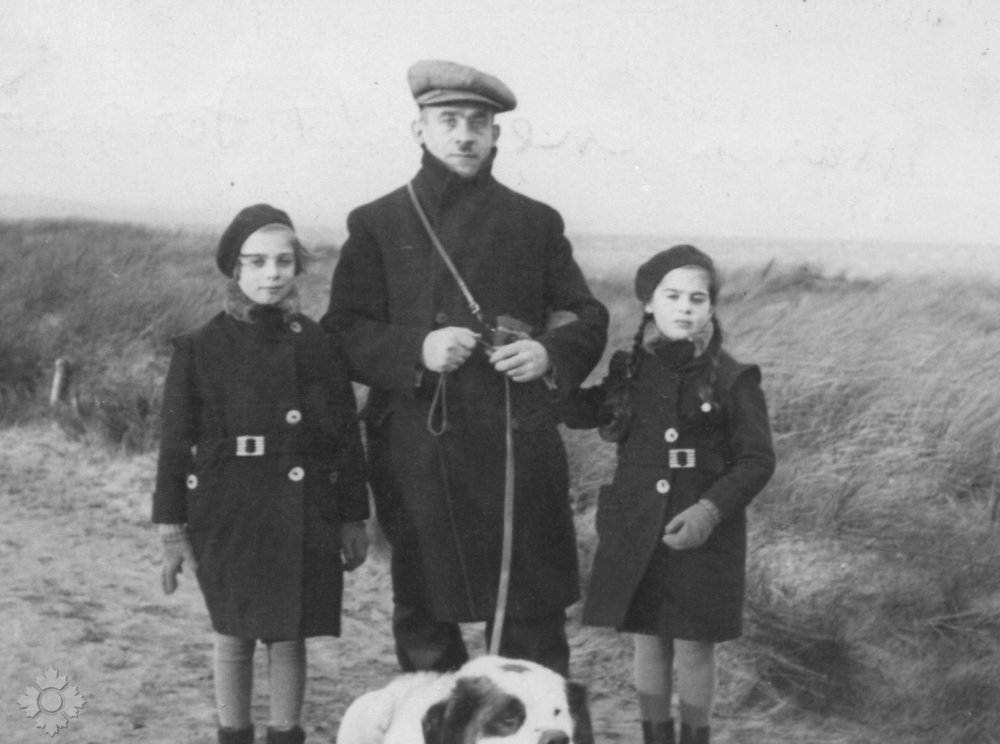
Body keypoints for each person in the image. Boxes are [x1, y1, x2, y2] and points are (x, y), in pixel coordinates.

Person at [322, 60, 608, 677]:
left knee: (530, 614)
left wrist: (550, 355)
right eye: (448, 120)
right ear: (419, 129)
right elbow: (340, 332)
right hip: (420, 447)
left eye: (479, 123)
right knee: (426, 613)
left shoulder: (536, 222)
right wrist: (415, 350)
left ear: (497, 135)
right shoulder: (377, 222)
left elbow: (586, 313)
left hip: (516, 445)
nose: (464, 134)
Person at [152, 204, 369, 744]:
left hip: (303, 507)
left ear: (298, 267)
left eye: (283, 261)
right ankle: (234, 733)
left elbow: (345, 438)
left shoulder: (318, 343)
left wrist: (352, 517)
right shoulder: (200, 347)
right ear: (235, 267)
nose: (271, 273)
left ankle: (285, 734)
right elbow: (175, 446)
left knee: (289, 633)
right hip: (228, 507)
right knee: (233, 631)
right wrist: (171, 529)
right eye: (256, 262)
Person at [560, 245, 776, 744]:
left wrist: (708, 511)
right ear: (649, 304)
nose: (685, 307)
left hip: (703, 531)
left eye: (697, 298)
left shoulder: (732, 377)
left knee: (695, 646)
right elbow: (577, 411)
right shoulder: (630, 369)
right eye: (672, 296)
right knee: (648, 641)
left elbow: (758, 460)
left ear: (711, 307)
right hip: (637, 523)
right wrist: (555, 358)